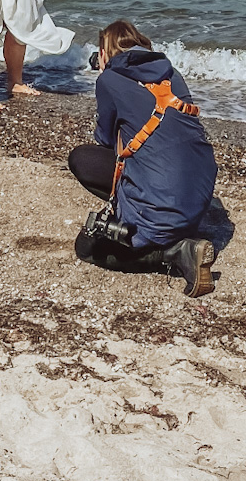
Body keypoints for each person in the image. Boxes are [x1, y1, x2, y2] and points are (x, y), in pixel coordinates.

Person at [68, 19, 218, 297]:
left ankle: (173, 253)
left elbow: (106, 142)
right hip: (200, 195)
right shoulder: (171, 72)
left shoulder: (109, 79)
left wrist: (105, 80)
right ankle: (159, 220)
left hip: (164, 205)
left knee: (86, 245)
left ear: (103, 53)